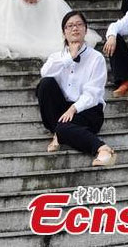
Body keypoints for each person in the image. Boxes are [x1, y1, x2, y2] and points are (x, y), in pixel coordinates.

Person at [37, 11, 116, 168]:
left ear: (85, 30)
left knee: (64, 127)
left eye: (79, 25)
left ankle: (103, 150)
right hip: (61, 111)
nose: (75, 29)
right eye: (70, 26)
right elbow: (45, 74)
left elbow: (93, 93)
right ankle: (59, 132)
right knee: (45, 84)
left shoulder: (96, 58)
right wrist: (69, 58)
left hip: (88, 111)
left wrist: (74, 108)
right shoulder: (56, 57)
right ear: (64, 32)